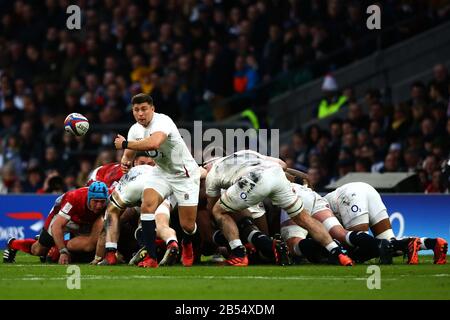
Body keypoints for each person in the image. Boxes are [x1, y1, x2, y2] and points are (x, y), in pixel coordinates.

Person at [204, 150, 353, 266]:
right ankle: (337, 251)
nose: (204, 167)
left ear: (208, 165)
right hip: (276, 175)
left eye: (205, 165)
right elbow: (283, 164)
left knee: (219, 210)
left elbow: (212, 208)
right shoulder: (245, 153)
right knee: (302, 217)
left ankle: (239, 253)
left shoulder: (212, 174)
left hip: (254, 179)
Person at [114, 93, 200, 267]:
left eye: (144, 109)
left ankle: (187, 242)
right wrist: (125, 161)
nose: (140, 114)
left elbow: (154, 143)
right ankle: (151, 257)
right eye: (136, 110)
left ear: (152, 109)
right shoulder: (135, 129)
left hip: (184, 174)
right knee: (147, 206)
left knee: (188, 225)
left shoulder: (162, 121)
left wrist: (124, 144)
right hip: (161, 171)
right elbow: (129, 154)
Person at [324, 182, 448, 264]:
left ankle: (410, 243)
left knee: (362, 245)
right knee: (389, 245)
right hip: (367, 189)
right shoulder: (316, 202)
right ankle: (431, 243)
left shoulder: (313, 216)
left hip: (349, 196)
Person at [279, 183, 393, 264]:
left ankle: (328, 251)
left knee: (293, 245)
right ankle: (392, 244)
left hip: (294, 196)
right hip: (312, 195)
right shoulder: (279, 172)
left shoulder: (269, 176)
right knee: (342, 234)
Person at [3, 182, 109, 264]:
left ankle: (55, 247)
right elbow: (57, 226)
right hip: (64, 218)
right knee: (38, 250)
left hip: (86, 221)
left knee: (89, 246)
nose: (99, 205)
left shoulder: (110, 198)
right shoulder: (74, 198)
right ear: (89, 198)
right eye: (96, 201)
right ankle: (13, 243)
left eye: (102, 201)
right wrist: (63, 251)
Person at [98, 164, 180, 267]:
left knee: (112, 211)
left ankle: (110, 254)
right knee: (161, 224)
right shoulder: (161, 170)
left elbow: (113, 209)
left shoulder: (131, 170)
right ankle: (171, 242)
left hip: (136, 184)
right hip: (159, 188)